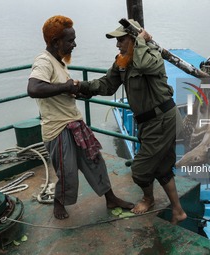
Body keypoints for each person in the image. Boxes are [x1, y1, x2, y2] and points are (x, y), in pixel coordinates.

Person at [75, 20, 187, 224]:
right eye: (116, 40)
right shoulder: (122, 61)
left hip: (163, 120)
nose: (117, 44)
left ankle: (148, 198)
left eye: (121, 39)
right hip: (148, 122)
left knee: (140, 170)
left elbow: (143, 64)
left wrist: (142, 41)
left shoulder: (152, 56)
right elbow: (108, 84)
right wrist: (81, 86)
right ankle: (178, 211)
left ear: (135, 38)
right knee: (162, 168)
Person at [27, 15, 134, 220]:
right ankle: (59, 202)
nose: (74, 44)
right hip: (58, 128)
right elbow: (33, 88)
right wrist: (67, 86)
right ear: (56, 42)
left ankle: (110, 197)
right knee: (67, 172)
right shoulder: (44, 61)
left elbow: (53, 89)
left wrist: (73, 91)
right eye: (70, 40)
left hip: (74, 122)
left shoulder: (59, 61)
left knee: (95, 161)